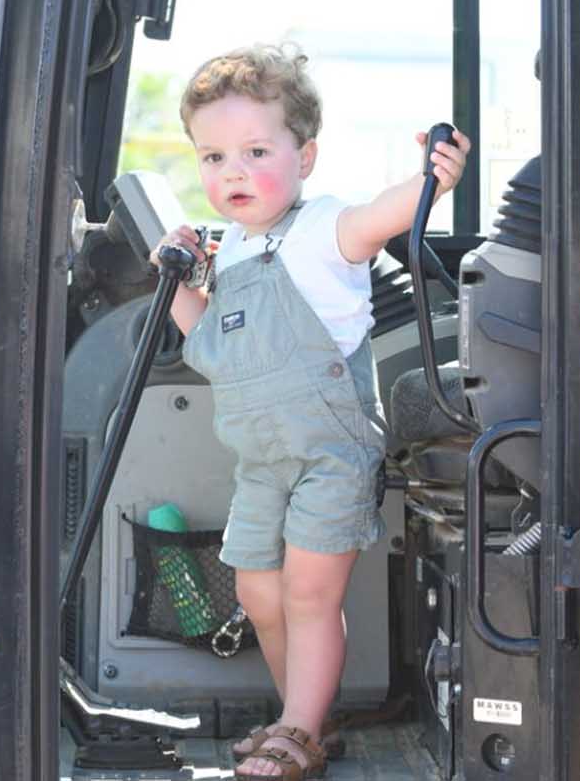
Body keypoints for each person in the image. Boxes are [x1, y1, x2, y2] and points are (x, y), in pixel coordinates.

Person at [153, 45, 470, 780]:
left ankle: (297, 729)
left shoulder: (323, 230)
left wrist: (431, 177)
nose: (231, 171)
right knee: (260, 592)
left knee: (308, 592)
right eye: (213, 155)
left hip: (331, 452)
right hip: (260, 463)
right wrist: (172, 275)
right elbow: (206, 344)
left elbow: (384, 214)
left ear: (307, 156)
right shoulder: (227, 251)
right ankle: (305, 716)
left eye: (256, 150)